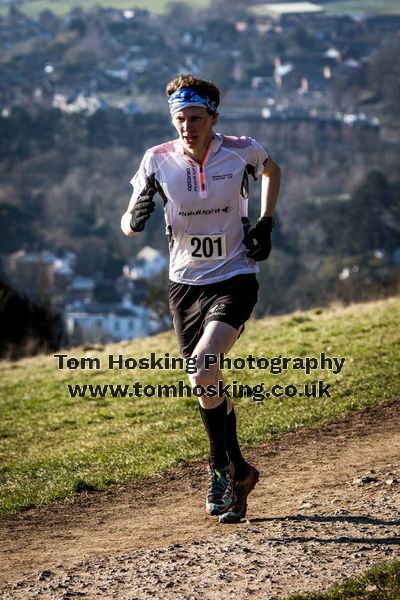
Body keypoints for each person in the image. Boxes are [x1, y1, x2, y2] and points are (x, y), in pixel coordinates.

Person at [121, 74, 281, 523]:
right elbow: (129, 225)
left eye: (195, 117)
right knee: (203, 381)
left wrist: (266, 222)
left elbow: (273, 170)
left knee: (205, 362)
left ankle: (220, 467)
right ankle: (242, 470)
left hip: (234, 275)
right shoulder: (156, 160)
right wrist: (135, 216)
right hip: (184, 283)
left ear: (213, 116)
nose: (186, 126)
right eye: (179, 118)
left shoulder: (240, 149)